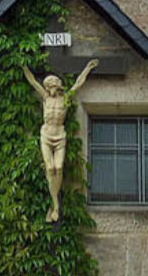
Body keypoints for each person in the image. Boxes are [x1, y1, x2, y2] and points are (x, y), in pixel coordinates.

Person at [22, 59, 96, 222]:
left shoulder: (65, 99)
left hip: (60, 135)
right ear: (48, 88)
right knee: (50, 168)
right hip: (46, 136)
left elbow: (77, 84)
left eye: (54, 86)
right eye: (50, 86)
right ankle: (55, 205)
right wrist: (24, 66)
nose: (52, 89)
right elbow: (33, 81)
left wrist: (87, 69)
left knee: (59, 167)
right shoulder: (45, 98)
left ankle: (54, 205)